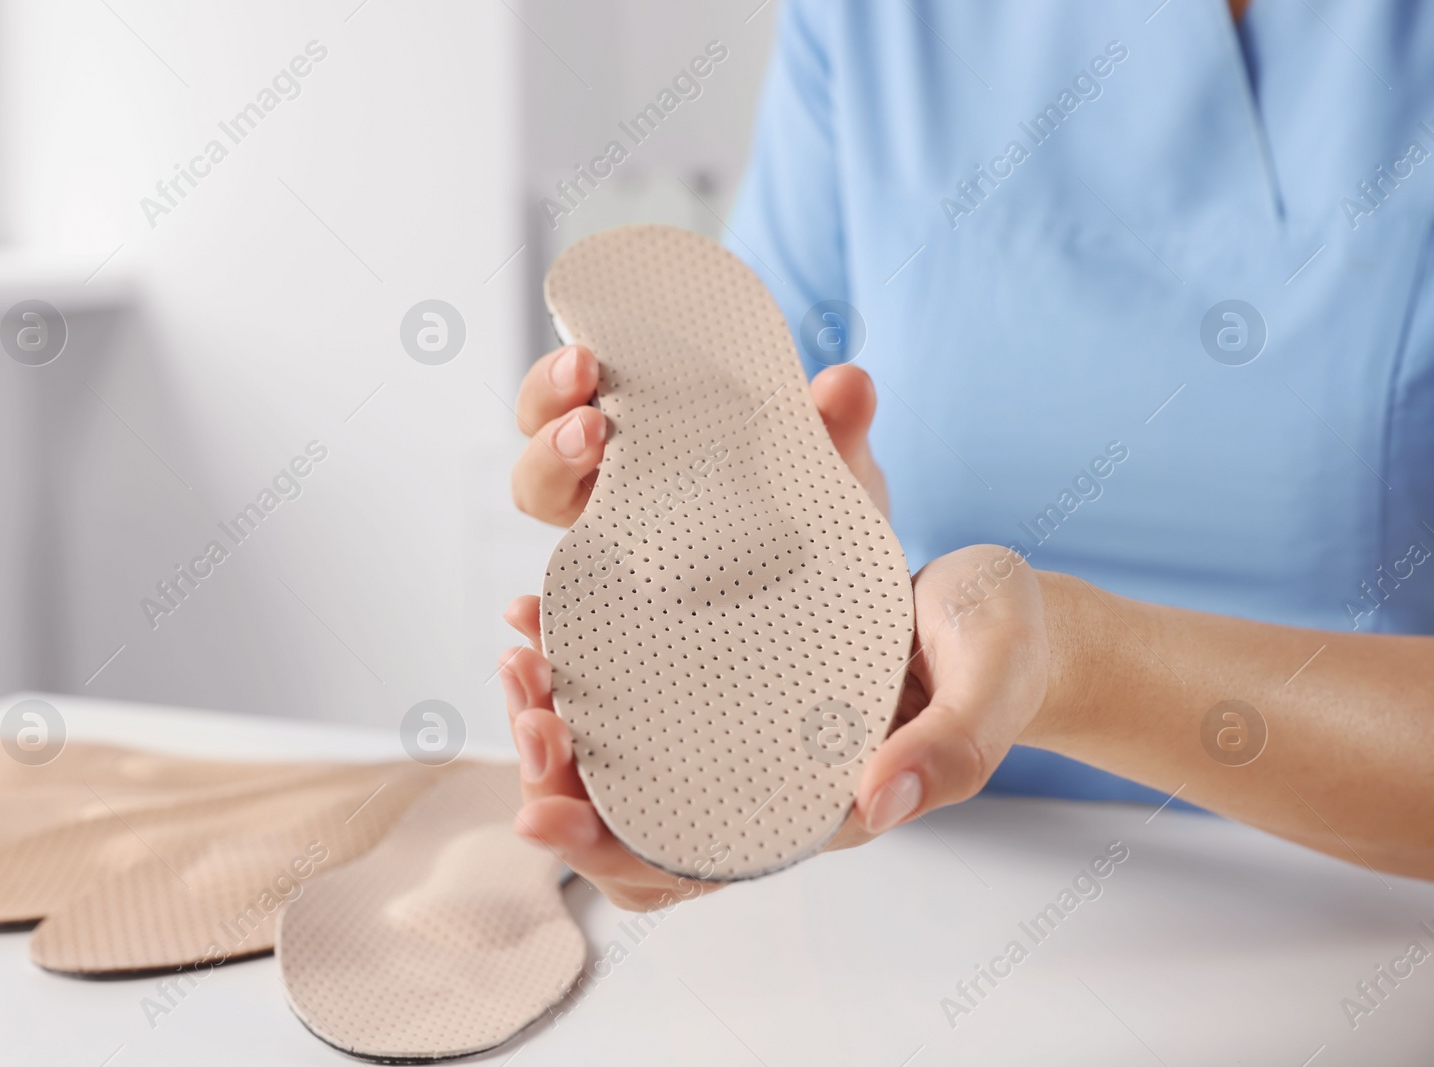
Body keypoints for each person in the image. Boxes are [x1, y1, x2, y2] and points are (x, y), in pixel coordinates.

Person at [497, 0, 1434, 909]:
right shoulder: (871, 19)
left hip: (1362, 924)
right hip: (917, 893)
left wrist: (1068, 663)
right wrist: (787, 540)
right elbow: (779, 426)